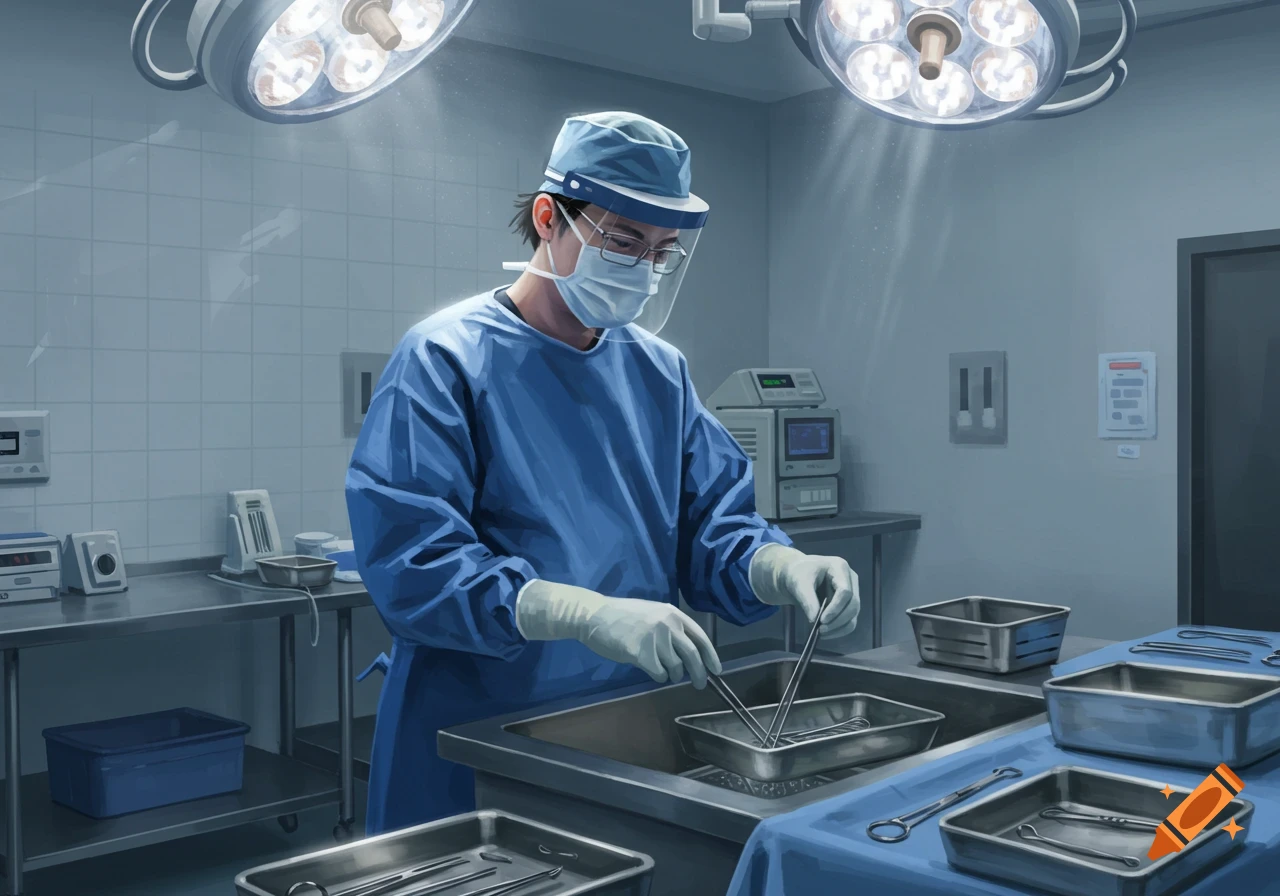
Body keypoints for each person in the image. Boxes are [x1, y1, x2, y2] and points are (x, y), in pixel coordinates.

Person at [345, 111, 861, 835]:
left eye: (661, 252)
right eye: (624, 242)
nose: (643, 269)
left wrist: (781, 566)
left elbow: (713, 527)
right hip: (475, 733)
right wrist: (584, 613)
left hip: (622, 724)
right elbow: (415, 566)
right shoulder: (445, 359)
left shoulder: (657, 370)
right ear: (550, 218)